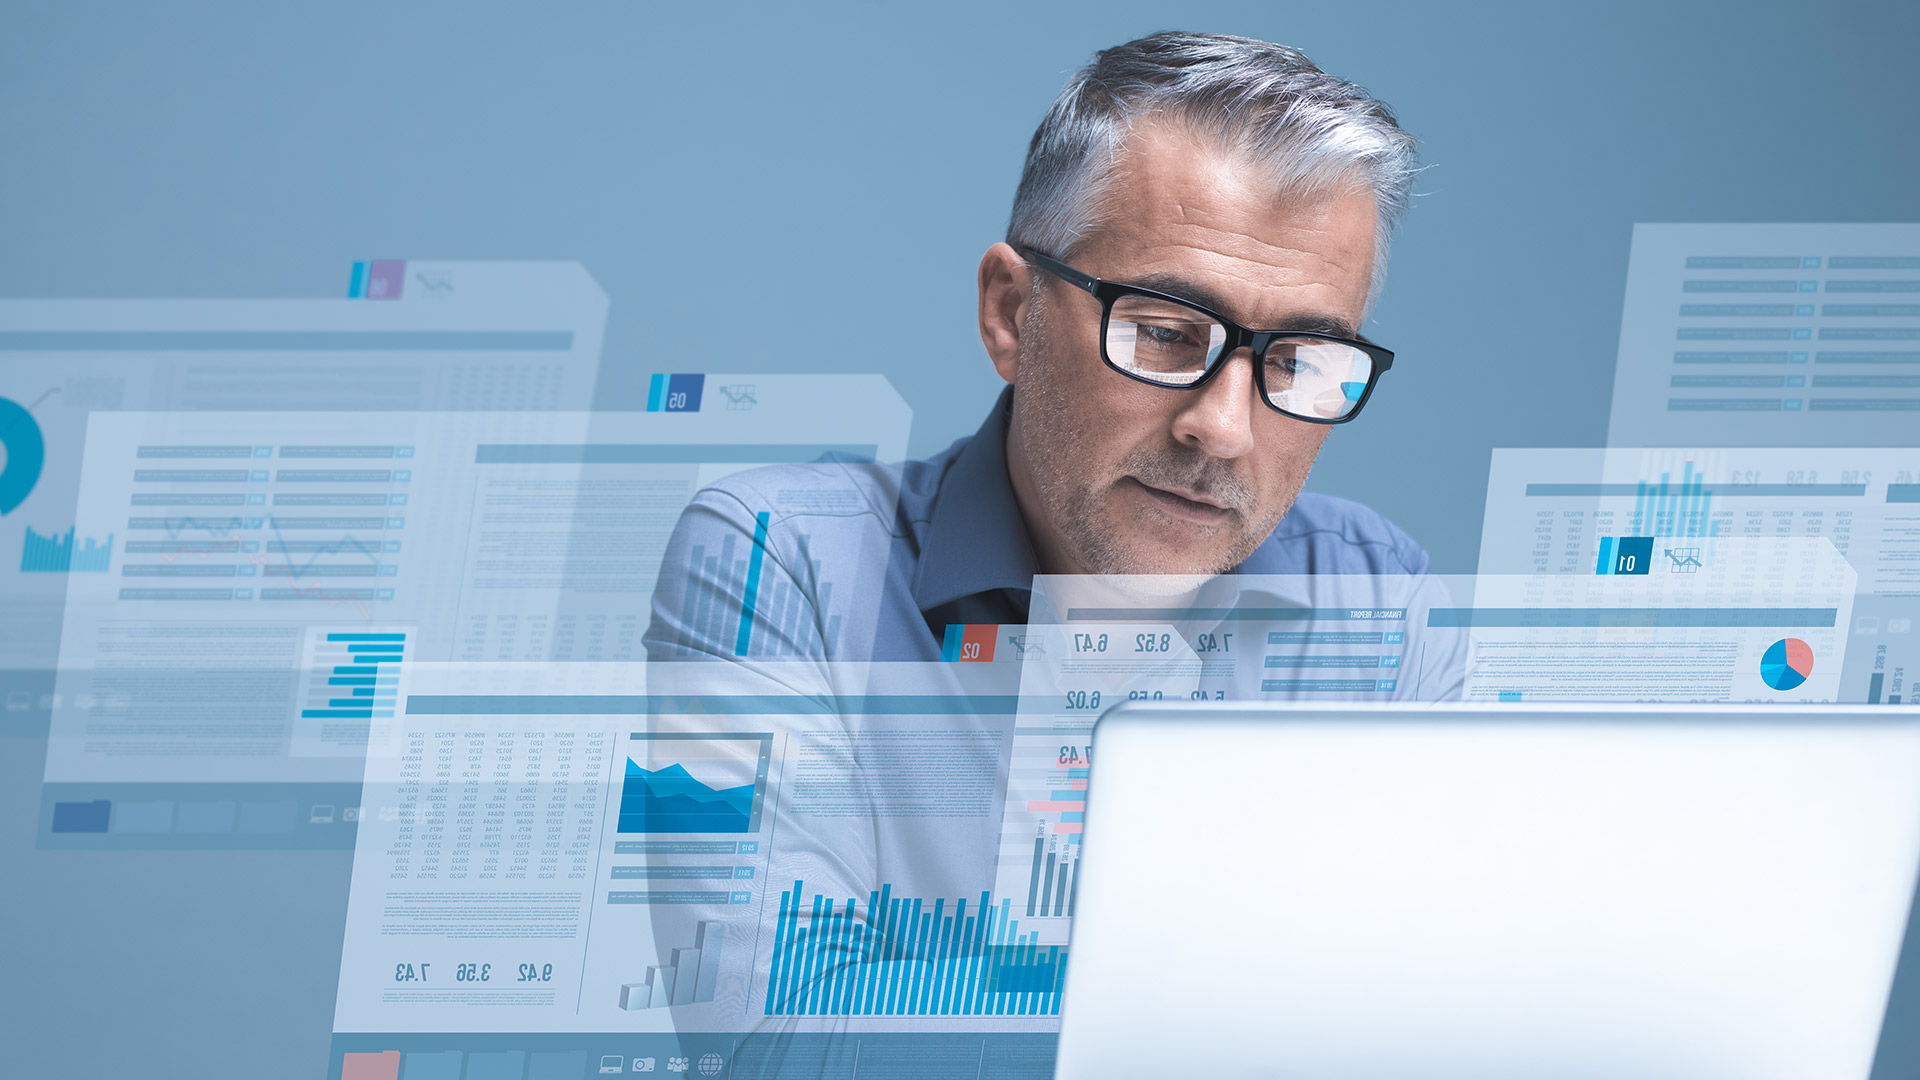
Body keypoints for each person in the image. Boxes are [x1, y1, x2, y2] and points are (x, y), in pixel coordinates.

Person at [646, 31, 1426, 666]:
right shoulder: (782, 567)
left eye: (1295, 362)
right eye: (1163, 333)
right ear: (1012, 312)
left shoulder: (1378, 595)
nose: (1223, 428)